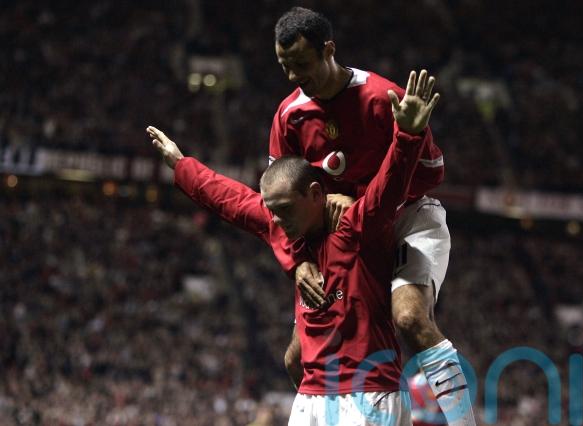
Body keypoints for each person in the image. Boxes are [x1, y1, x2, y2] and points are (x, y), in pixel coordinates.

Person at [147, 69, 436, 425]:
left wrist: (408, 134)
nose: (278, 221)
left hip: (370, 393)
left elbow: (391, 182)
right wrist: (181, 165)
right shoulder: (284, 226)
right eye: (272, 211)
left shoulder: (360, 222)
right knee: (292, 358)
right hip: (312, 397)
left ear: (315, 194)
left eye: (284, 209)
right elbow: (229, 198)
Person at [269, 7, 475, 425]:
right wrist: (299, 261)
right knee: (296, 357)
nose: (293, 76)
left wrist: (364, 202)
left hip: (404, 218)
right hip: (343, 239)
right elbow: (277, 202)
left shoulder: (383, 99)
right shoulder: (289, 117)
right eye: (284, 66)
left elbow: (431, 174)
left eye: (301, 64)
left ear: (329, 50)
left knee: (410, 319)